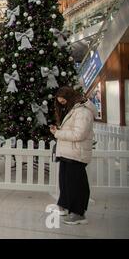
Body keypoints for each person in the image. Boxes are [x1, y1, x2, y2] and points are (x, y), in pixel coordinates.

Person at [49, 86, 97, 225]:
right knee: (65, 181)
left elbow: (79, 134)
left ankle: (78, 213)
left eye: (63, 102)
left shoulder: (82, 112)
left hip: (76, 153)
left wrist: (57, 133)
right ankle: (64, 205)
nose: (62, 105)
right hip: (68, 152)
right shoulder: (74, 111)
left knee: (76, 184)